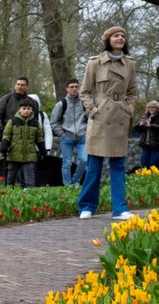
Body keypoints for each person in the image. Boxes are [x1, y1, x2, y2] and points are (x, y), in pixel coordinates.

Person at [79, 26, 138, 219]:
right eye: (116, 36)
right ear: (108, 40)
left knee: (118, 165)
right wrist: (93, 110)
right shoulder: (95, 63)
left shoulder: (129, 64)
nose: (120, 38)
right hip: (100, 118)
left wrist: (128, 108)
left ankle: (120, 209)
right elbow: (85, 91)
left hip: (120, 118)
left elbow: (132, 92)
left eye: (123, 36)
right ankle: (87, 206)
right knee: (94, 165)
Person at [50, 80, 87, 186]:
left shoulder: (84, 103)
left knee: (84, 160)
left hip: (82, 137)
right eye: (71, 86)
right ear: (67, 89)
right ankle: (67, 185)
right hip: (67, 137)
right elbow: (53, 122)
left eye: (76, 86)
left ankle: (76, 180)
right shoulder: (62, 104)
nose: (74, 89)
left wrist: (87, 130)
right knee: (67, 163)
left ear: (79, 88)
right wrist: (62, 134)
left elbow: (90, 118)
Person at [1, 101, 44, 187]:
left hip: (29, 154)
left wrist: (42, 149)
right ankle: (9, 192)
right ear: (19, 109)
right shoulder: (12, 122)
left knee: (30, 176)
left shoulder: (35, 123)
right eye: (24, 108)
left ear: (32, 110)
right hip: (14, 153)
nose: (26, 111)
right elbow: (6, 135)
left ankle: (28, 193)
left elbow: (39, 138)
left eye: (28, 109)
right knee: (11, 177)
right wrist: (4, 146)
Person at [136, 100, 159, 171]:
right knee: (144, 163)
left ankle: (154, 180)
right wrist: (140, 125)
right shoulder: (145, 116)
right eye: (149, 107)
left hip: (156, 145)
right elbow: (137, 129)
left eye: (153, 107)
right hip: (145, 144)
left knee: (154, 164)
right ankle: (145, 180)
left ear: (157, 108)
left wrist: (150, 125)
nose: (151, 109)